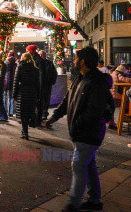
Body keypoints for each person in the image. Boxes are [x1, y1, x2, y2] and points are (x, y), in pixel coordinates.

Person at [46, 47, 114, 212]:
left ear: (83, 61)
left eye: (76, 58)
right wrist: (54, 117)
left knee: (78, 165)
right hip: (82, 132)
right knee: (88, 165)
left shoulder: (97, 82)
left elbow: (94, 112)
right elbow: (67, 100)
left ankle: (73, 205)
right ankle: (95, 201)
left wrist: (76, 125)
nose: (74, 60)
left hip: (89, 132)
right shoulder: (79, 78)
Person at [13, 52, 40, 140]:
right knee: (29, 111)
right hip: (32, 92)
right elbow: (38, 83)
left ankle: (25, 132)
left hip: (23, 92)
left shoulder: (20, 67)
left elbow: (16, 82)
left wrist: (14, 94)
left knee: (23, 113)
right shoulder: (35, 68)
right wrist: (38, 95)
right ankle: (26, 130)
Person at [26, 45, 46, 127]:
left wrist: (40, 88)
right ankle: (33, 120)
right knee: (34, 104)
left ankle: (37, 121)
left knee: (38, 104)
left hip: (38, 86)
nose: (27, 52)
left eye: (27, 51)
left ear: (31, 51)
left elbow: (41, 75)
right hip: (35, 85)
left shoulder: (38, 61)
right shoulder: (34, 59)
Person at [109, 64, 131, 130]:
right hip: (116, 95)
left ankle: (112, 123)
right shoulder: (118, 74)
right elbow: (125, 80)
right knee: (125, 101)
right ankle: (125, 118)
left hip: (111, 94)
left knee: (112, 109)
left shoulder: (112, 73)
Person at [39, 51, 58, 120]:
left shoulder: (49, 63)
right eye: (40, 55)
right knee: (40, 99)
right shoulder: (37, 63)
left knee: (46, 99)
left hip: (47, 85)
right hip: (39, 85)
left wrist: (52, 82)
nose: (41, 56)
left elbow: (54, 73)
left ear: (45, 55)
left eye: (42, 55)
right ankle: (39, 114)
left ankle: (44, 113)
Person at [3, 51, 17, 117]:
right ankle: (10, 112)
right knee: (11, 97)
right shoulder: (15, 63)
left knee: (4, 96)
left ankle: (4, 111)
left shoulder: (6, 62)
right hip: (12, 81)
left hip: (6, 81)